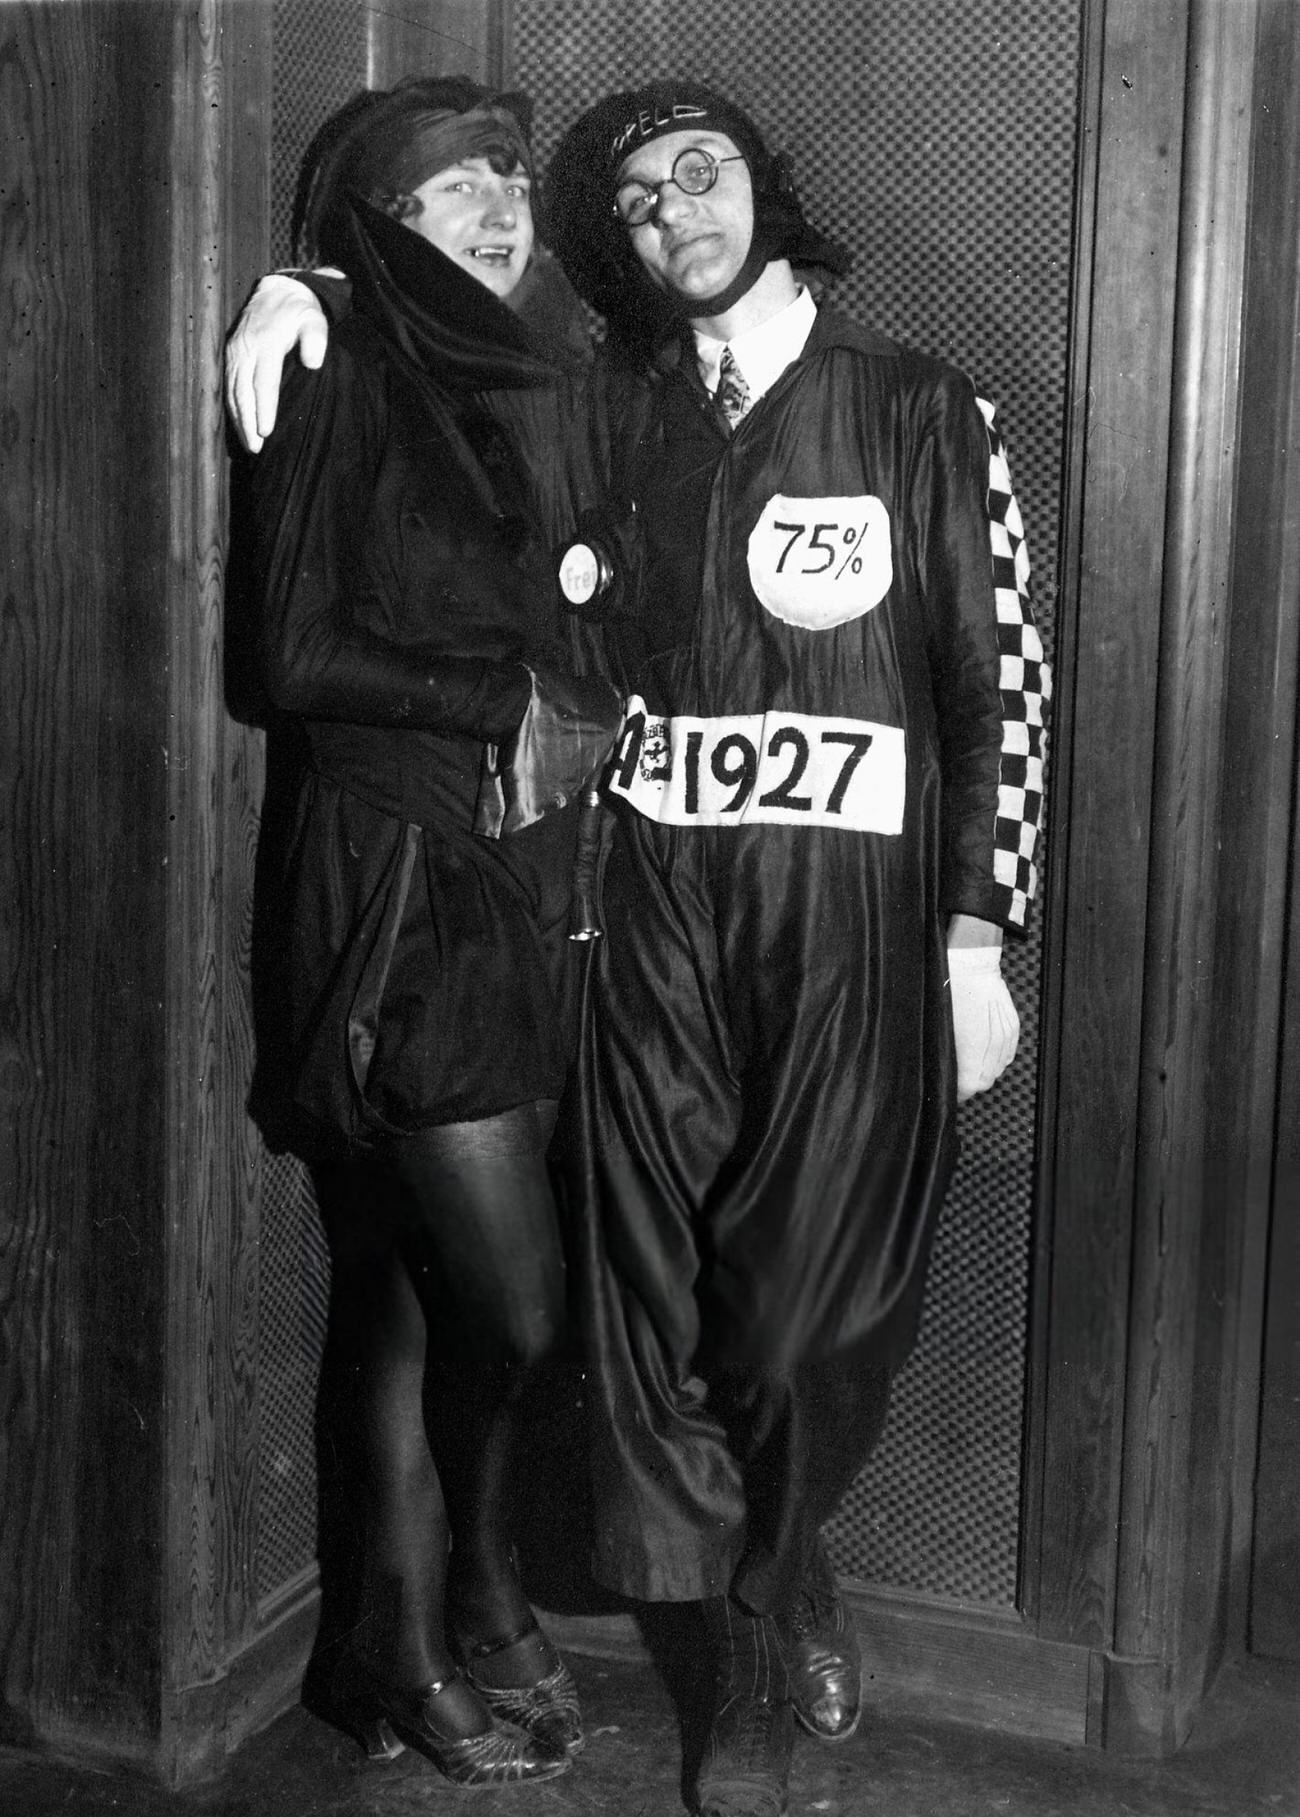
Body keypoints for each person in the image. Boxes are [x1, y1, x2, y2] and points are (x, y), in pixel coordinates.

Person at [227, 74, 1048, 1817]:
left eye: (709, 173)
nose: (681, 210)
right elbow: (409, 465)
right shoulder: (617, 413)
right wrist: (313, 289)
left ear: (769, 187)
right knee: (654, 1304)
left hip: (848, 932)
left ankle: (789, 1554)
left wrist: (981, 927)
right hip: (643, 920)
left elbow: (1003, 687)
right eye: (646, 196)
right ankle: (744, 1657)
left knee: (806, 1310)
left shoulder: (919, 406)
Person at [236, 76, 620, 1789]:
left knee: (403, 1294)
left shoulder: (517, 376)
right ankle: (447, 1602)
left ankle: (416, 1634)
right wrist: (506, 697)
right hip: (395, 881)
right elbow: (289, 655)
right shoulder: (336, 354)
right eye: (449, 187)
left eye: (508, 179)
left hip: (517, 874)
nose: (497, 204)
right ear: (374, 228)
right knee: (510, 1302)